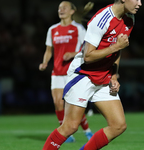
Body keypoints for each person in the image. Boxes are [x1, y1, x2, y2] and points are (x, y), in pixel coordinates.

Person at [42, 0, 142, 149]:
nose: (139, 3)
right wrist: (116, 46)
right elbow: (88, 57)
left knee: (118, 125)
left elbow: (118, 48)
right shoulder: (101, 20)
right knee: (70, 126)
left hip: (103, 76)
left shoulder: (129, 18)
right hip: (83, 75)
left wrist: (114, 75)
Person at [39, 1, 94, 143]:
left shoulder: (79, 29)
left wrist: (73, 54)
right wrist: (45, 62)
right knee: (58, 103)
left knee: (74, 106)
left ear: (72, 11)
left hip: (73, 73)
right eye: (59, 8)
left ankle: (87, 131)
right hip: (57, 72)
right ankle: (66, 133)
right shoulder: (52, 29)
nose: (61, 10)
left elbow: (87, 49)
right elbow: (48, 50)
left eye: (64, 7)